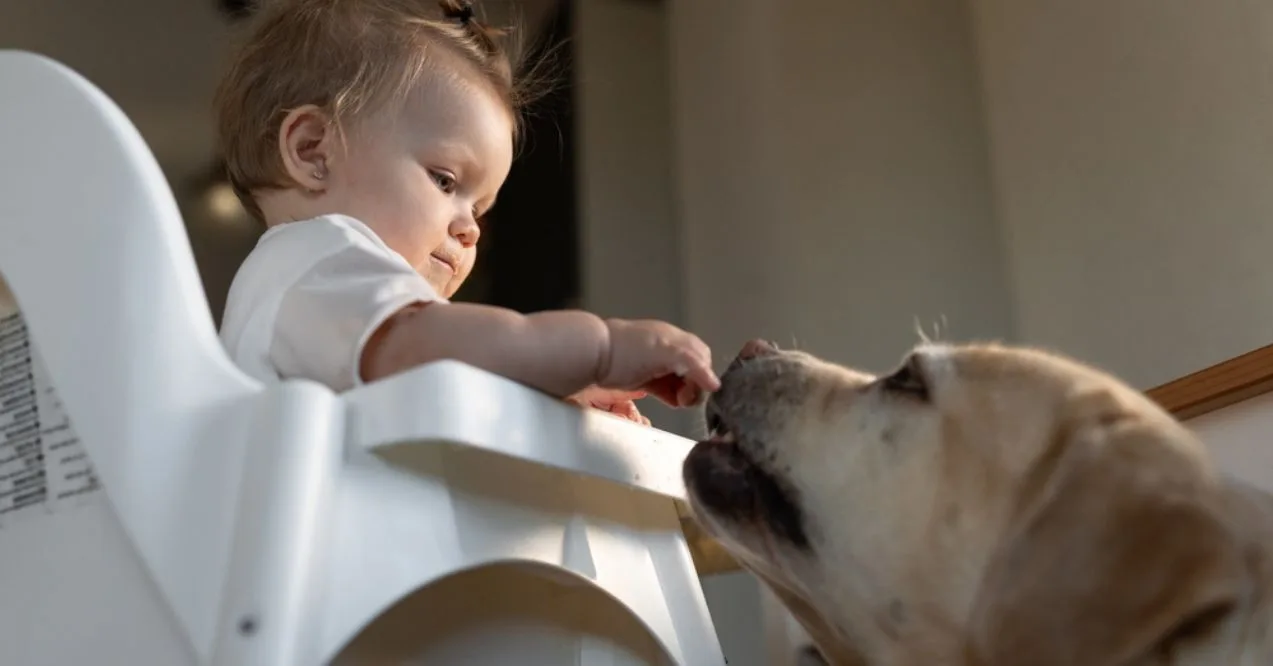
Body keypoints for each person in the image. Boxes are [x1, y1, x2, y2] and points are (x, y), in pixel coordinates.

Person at [213, 0, 718, 424]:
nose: (470, 228)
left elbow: (434, 375)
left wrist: (552, 395)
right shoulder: (322, 259)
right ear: (312, 151)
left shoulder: (313, 289)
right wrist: (601, 350)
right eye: (445, 180)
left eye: (479, 208)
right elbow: (424, 343)